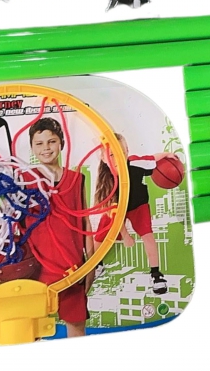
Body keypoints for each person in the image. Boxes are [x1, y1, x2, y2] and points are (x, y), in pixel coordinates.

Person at [20, 117, 93, 338]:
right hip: (37, 268)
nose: (46, 148)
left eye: (51, 141)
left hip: (72, 267)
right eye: (39, 143)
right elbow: (11, 222)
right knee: (29, 330)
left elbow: (85, 221)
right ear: (32, 147)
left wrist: (90, 264)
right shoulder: (24, 179)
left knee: (76, 326)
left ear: (61, 143)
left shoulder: (76, 179)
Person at [93, 133, 179, 295]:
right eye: (112, 155)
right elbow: (116, 217)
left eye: (122, 152)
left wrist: (167, 154)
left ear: (127, 151)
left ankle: (156, 274)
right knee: (100, 235)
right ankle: (95, 264)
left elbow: (151, 159)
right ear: (103, 158)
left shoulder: (135, 163)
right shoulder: (108, 182)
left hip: (138, 205)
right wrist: (126, 236)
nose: (118, 158)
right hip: (117, 210)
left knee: (148, 235)